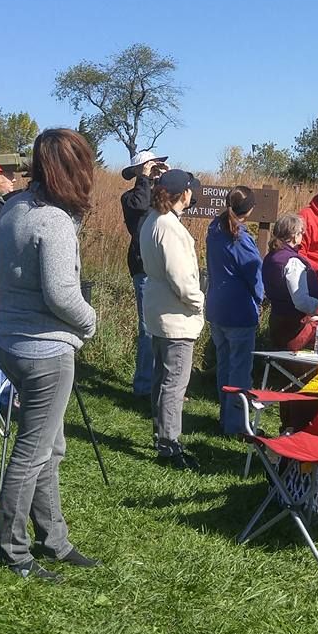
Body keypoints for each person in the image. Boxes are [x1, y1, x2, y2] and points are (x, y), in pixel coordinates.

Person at [0, 129, 100, 582]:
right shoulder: (52, 219)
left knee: (50, 447)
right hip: (45, 351)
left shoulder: (14, 205)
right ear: (75, 169)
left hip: (10, 341)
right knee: (33, 452)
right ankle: (13, 550)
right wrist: (90, 321)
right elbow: (61, 293)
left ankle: (53, 537)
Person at [139, 168, 205, 470]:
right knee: (175, 382)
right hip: (175, 313)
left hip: (159, 309)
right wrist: (199, 301)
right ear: (185, 193)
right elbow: (181, 278)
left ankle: (161, 435)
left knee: (161, 378)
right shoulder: (169, 227)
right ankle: (169, 444)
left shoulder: (152, 219)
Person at [205, 186, 264, 434]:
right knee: (240, 370)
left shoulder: (214, 229)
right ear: (249, 210)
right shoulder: (240, 238)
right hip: (239, 311)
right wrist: (260, 299)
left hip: (217, 307)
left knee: (225, 366)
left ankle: (225, 416)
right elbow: (254, 275)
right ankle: (237, 424)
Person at [120, 150, 169, 397]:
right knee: (147, 327)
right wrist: (144, 178)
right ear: (138, 171)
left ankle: (161, 383)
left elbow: (188, 200)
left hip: (163, 266)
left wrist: (170, 179)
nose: (154, 170)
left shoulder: (159, 195)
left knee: (164, 326)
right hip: (142, 266)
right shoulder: (130, 197)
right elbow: (140, 204)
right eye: (150, 166)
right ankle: (143, 385)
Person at [262, 213, 318, 350]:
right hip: (295, 326)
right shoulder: (292, 261)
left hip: (277, 319)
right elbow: (300, 300)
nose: (302, 236)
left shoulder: (270, 257)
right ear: (294, 235)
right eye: (302, 232)